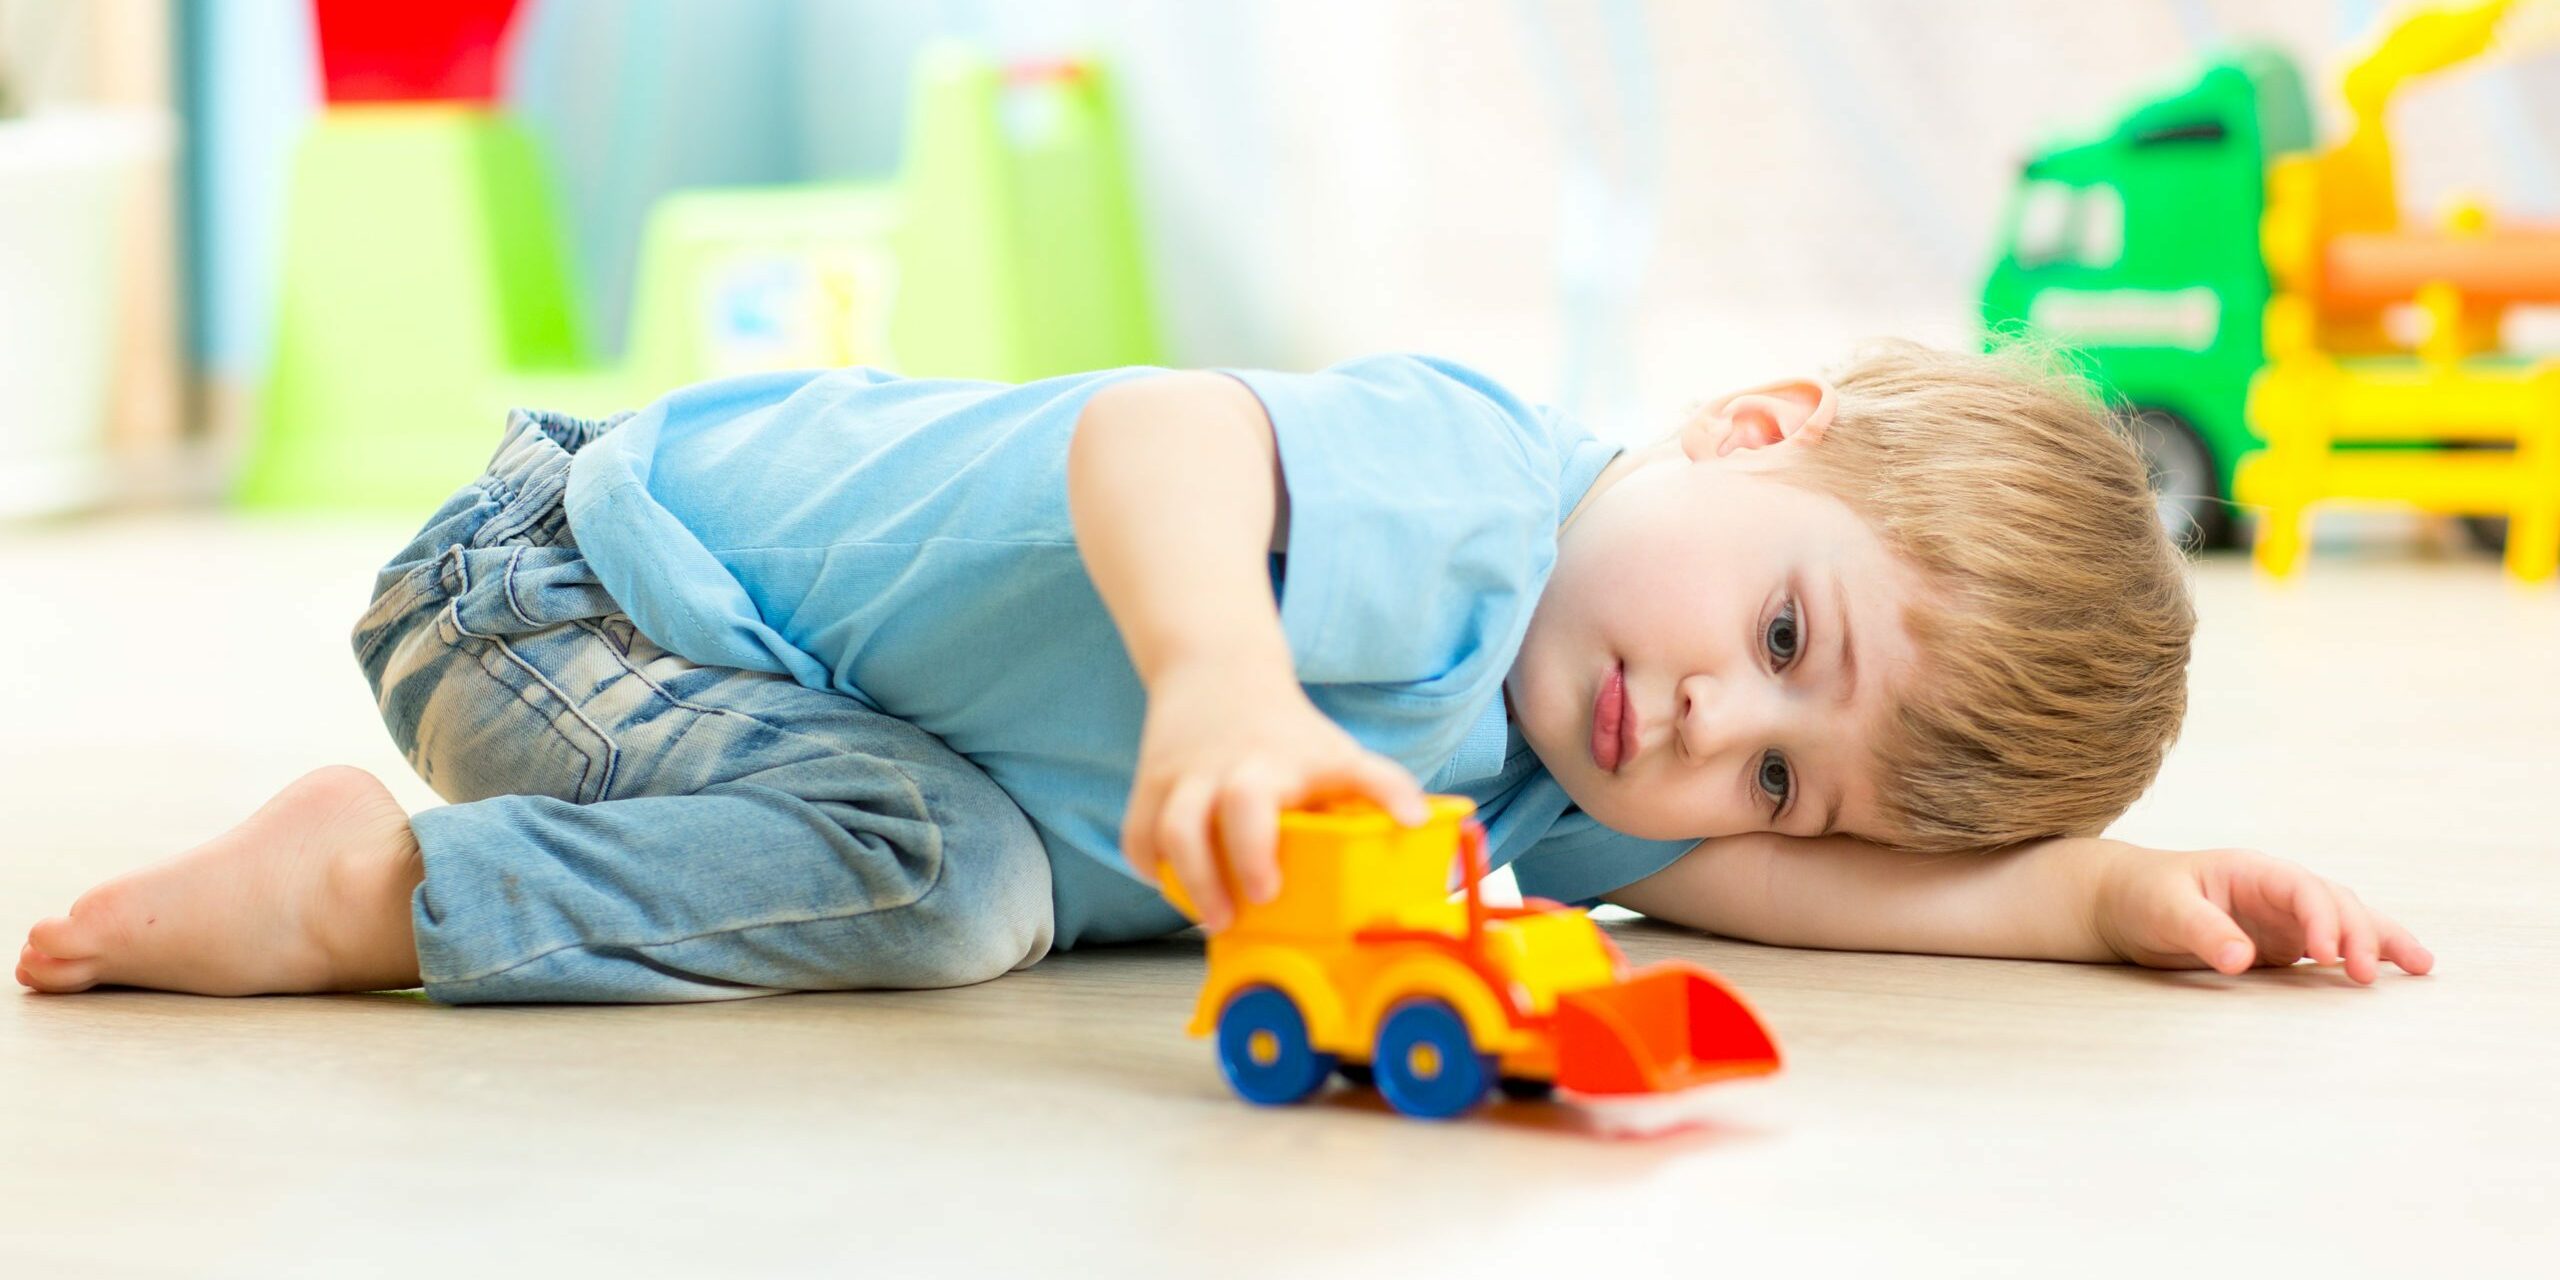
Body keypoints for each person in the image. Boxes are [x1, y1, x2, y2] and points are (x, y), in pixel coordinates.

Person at [15, 342, 2432, 1001]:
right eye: (1786, 637)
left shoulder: (1583, 775)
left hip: (744, 700)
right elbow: (1166, 429)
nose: (1715, 731)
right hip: (574, 590)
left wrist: (2113, 895)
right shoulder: (1487, 492)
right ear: (1749, 431)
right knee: (960, 884)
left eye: (1790, 771)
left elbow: (1782, 900)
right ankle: (365, 897)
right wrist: (1218, 684)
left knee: (953, 866)